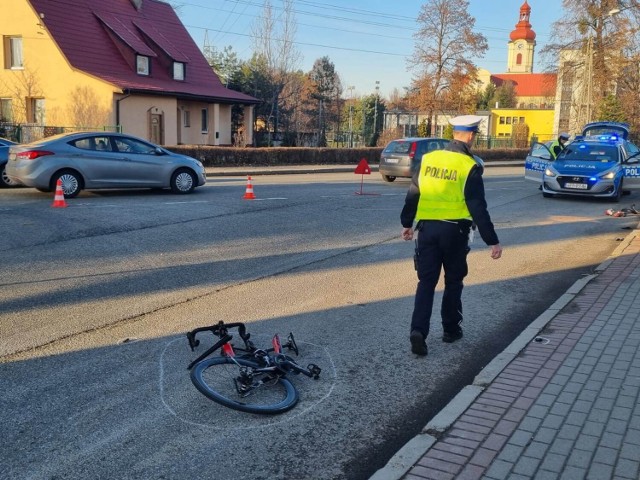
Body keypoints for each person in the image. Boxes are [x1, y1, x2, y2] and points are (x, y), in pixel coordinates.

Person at [400, 115, 503, 356]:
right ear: (469, 136)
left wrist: (407, 223)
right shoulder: (469, 165)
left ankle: (418, 331)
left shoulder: (428, 159)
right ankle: (450, 330)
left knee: (426, 282)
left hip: (426, 231)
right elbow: (477, 206)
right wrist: (492, 240)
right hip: (455, 232)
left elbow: (414, 192)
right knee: (453, 281)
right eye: (475, 135)